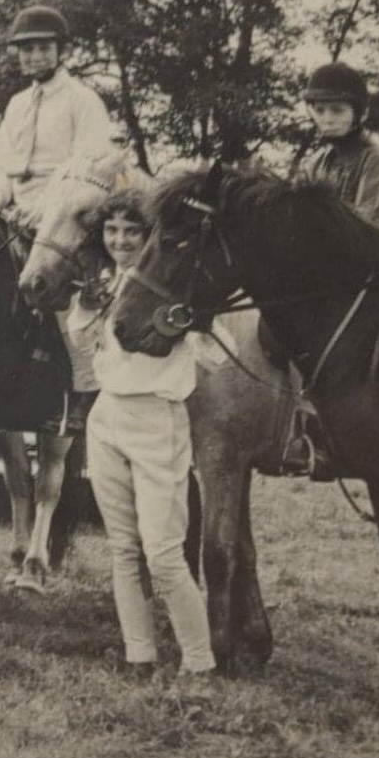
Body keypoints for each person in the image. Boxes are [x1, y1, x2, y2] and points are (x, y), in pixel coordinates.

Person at [68, 189, 215, 678]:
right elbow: (80, 339)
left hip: (158, 417)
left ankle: (199, 663)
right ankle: (139, 655)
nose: (121, 241)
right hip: (107, 414)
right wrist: (87, 305)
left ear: (150, 236)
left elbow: (216, 355)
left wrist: (194, 323)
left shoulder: (171, 285)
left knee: (163, 553)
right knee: (123, 547)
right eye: (112, 231)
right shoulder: (102, 284)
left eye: (132, 232)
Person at [0, 6, 116, 224]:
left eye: (44, 49)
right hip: (16, 210)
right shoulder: (17, 104)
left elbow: (87, 169)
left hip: (66, 211)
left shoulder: (83, 99)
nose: (35, 57)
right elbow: (3, 166)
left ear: (63, 51)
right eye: (27, 50)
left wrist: (47, 207)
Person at [295, 62, 379, 228]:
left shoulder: (378, 161)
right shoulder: (316, 163)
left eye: (337, 110)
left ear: (361, 114)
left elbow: (364, 226)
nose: (327, 119)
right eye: (320, 110)